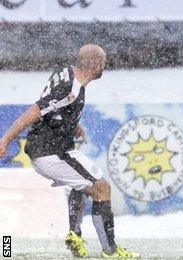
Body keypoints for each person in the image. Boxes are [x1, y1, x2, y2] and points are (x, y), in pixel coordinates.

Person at [0, 44, 141, 258]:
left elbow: (53, 108)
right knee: (102, 188)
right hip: (51, 152)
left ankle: (74, 234)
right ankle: (110, 252)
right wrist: (6, 139)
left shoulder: (66, 72)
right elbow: (35, 111)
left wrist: (72, 123)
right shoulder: (70, 88)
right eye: (103, 62)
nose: (104, 66)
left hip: (52, 148)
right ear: (94, 64)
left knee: (83, 183)